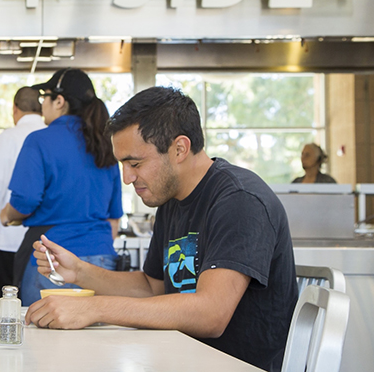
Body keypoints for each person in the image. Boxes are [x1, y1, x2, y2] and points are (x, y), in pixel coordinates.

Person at [25, 86, 298, 372]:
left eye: (135, 163)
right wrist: (80, 272)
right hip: (182, 358)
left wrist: (94, 308)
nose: (128, 178)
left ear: (179, 148)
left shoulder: (240, 200)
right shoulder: (172, 201)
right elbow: (152, 288)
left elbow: (210, 313)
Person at [0, 68, 123, 305]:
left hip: (52, 261)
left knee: (45, 338)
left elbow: (25, 202)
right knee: (97, 339)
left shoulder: (39, 140)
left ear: (59, 101)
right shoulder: (104, 144)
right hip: (101, 259)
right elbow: (113, 218)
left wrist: (5, 215)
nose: (41, 103)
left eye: (44, 97)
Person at [0, 87, 45, 301]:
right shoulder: (51, 137)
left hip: (10, 240)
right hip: (46, 242)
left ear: (15, 109)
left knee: (3, 308)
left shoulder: (8, 138)